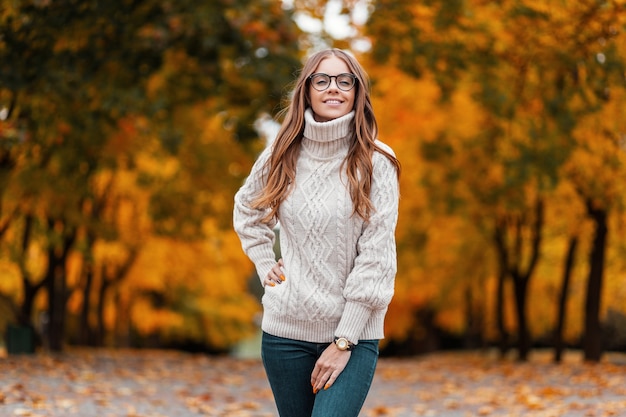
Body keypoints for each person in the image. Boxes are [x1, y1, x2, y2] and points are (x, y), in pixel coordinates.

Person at [233, 48, 401, 417]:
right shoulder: (282, 152)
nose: (333, 89)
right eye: (321, 80)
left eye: (345, 81)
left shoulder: (377, 161)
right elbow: (247, 209)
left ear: (357, 91)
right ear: (307, 90)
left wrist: (343, 341)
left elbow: (377, 257)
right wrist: (264, 263)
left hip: (352, 335)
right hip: (285, 332)